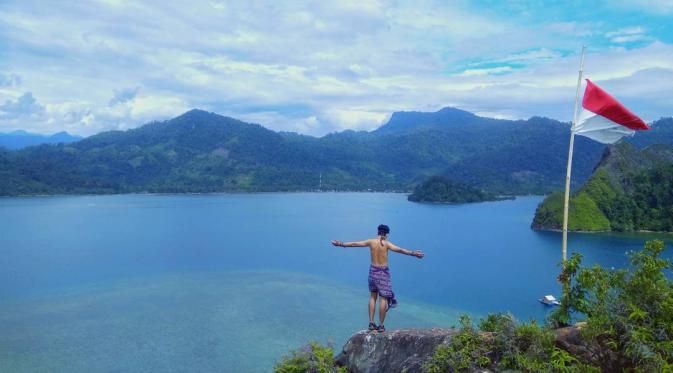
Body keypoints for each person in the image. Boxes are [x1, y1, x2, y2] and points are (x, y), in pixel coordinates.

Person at [331, 224, 424, 333]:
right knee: (383, 299)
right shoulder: (387, 244)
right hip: (383, 273)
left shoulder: (371, 242)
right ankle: (380, 325)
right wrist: (414, 253)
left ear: (378, 231)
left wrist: (341, 244)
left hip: (373, 272)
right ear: (387, 234)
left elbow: (356, 243)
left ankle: (371, 323)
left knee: (372, 297)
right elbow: (400, 250)